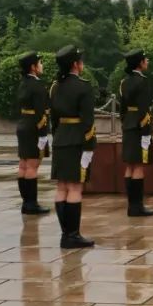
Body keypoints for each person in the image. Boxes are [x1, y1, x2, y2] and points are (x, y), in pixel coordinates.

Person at [49, 45, 96, 248]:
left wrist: (58, 136)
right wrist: (89, 146)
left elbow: (54, 120)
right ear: (76, 64)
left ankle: (65, 234)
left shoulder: (54, 87)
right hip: (77, 140)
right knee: (75, 187)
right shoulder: (84, 87)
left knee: (62, 187)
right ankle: (73, 235)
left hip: (60, 139)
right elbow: (88, 122)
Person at [119, 48, 153, 217]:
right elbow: (144, 109)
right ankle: (137, 207)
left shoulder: (124, 82)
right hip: (140, 126)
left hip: (128, 124)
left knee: (130, 165)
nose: (147, 62)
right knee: (139, 166)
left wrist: (126, 122)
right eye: (145, 59)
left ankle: (131, 205)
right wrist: (146, 132)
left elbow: (122, 109)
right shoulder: (142, 82)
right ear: (140, 63)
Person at [15, 51, 50, 215]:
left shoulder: (23, 83)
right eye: (40, 63)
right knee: (32, 165)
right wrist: (43, 133)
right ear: (33, 67)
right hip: (33, 127)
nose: (42, 66)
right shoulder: (37, 85)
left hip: (23, 124)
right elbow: (41, 112)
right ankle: (31, 204)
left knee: (23, 164)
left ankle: (26, 202)